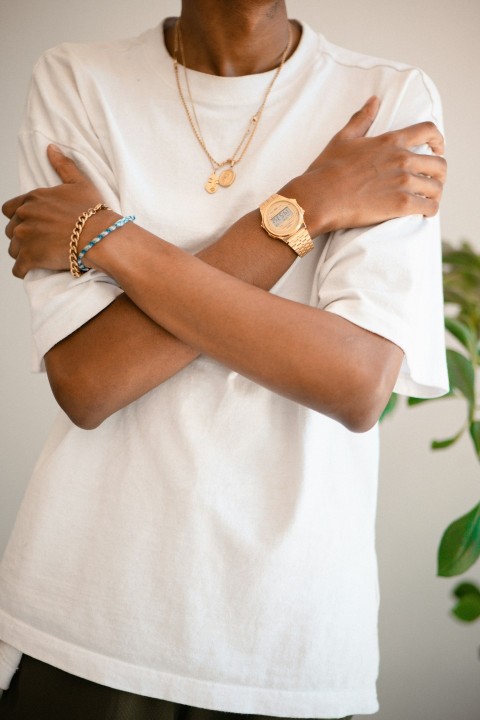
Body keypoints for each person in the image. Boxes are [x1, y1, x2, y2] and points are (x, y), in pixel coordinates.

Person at [0, 1, 448, 718]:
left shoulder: (387, 103)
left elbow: (355, 381)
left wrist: (109, 240)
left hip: (287, 641)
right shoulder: (79, 80)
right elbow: (89, 381)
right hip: (85, 618)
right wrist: (311, 204)